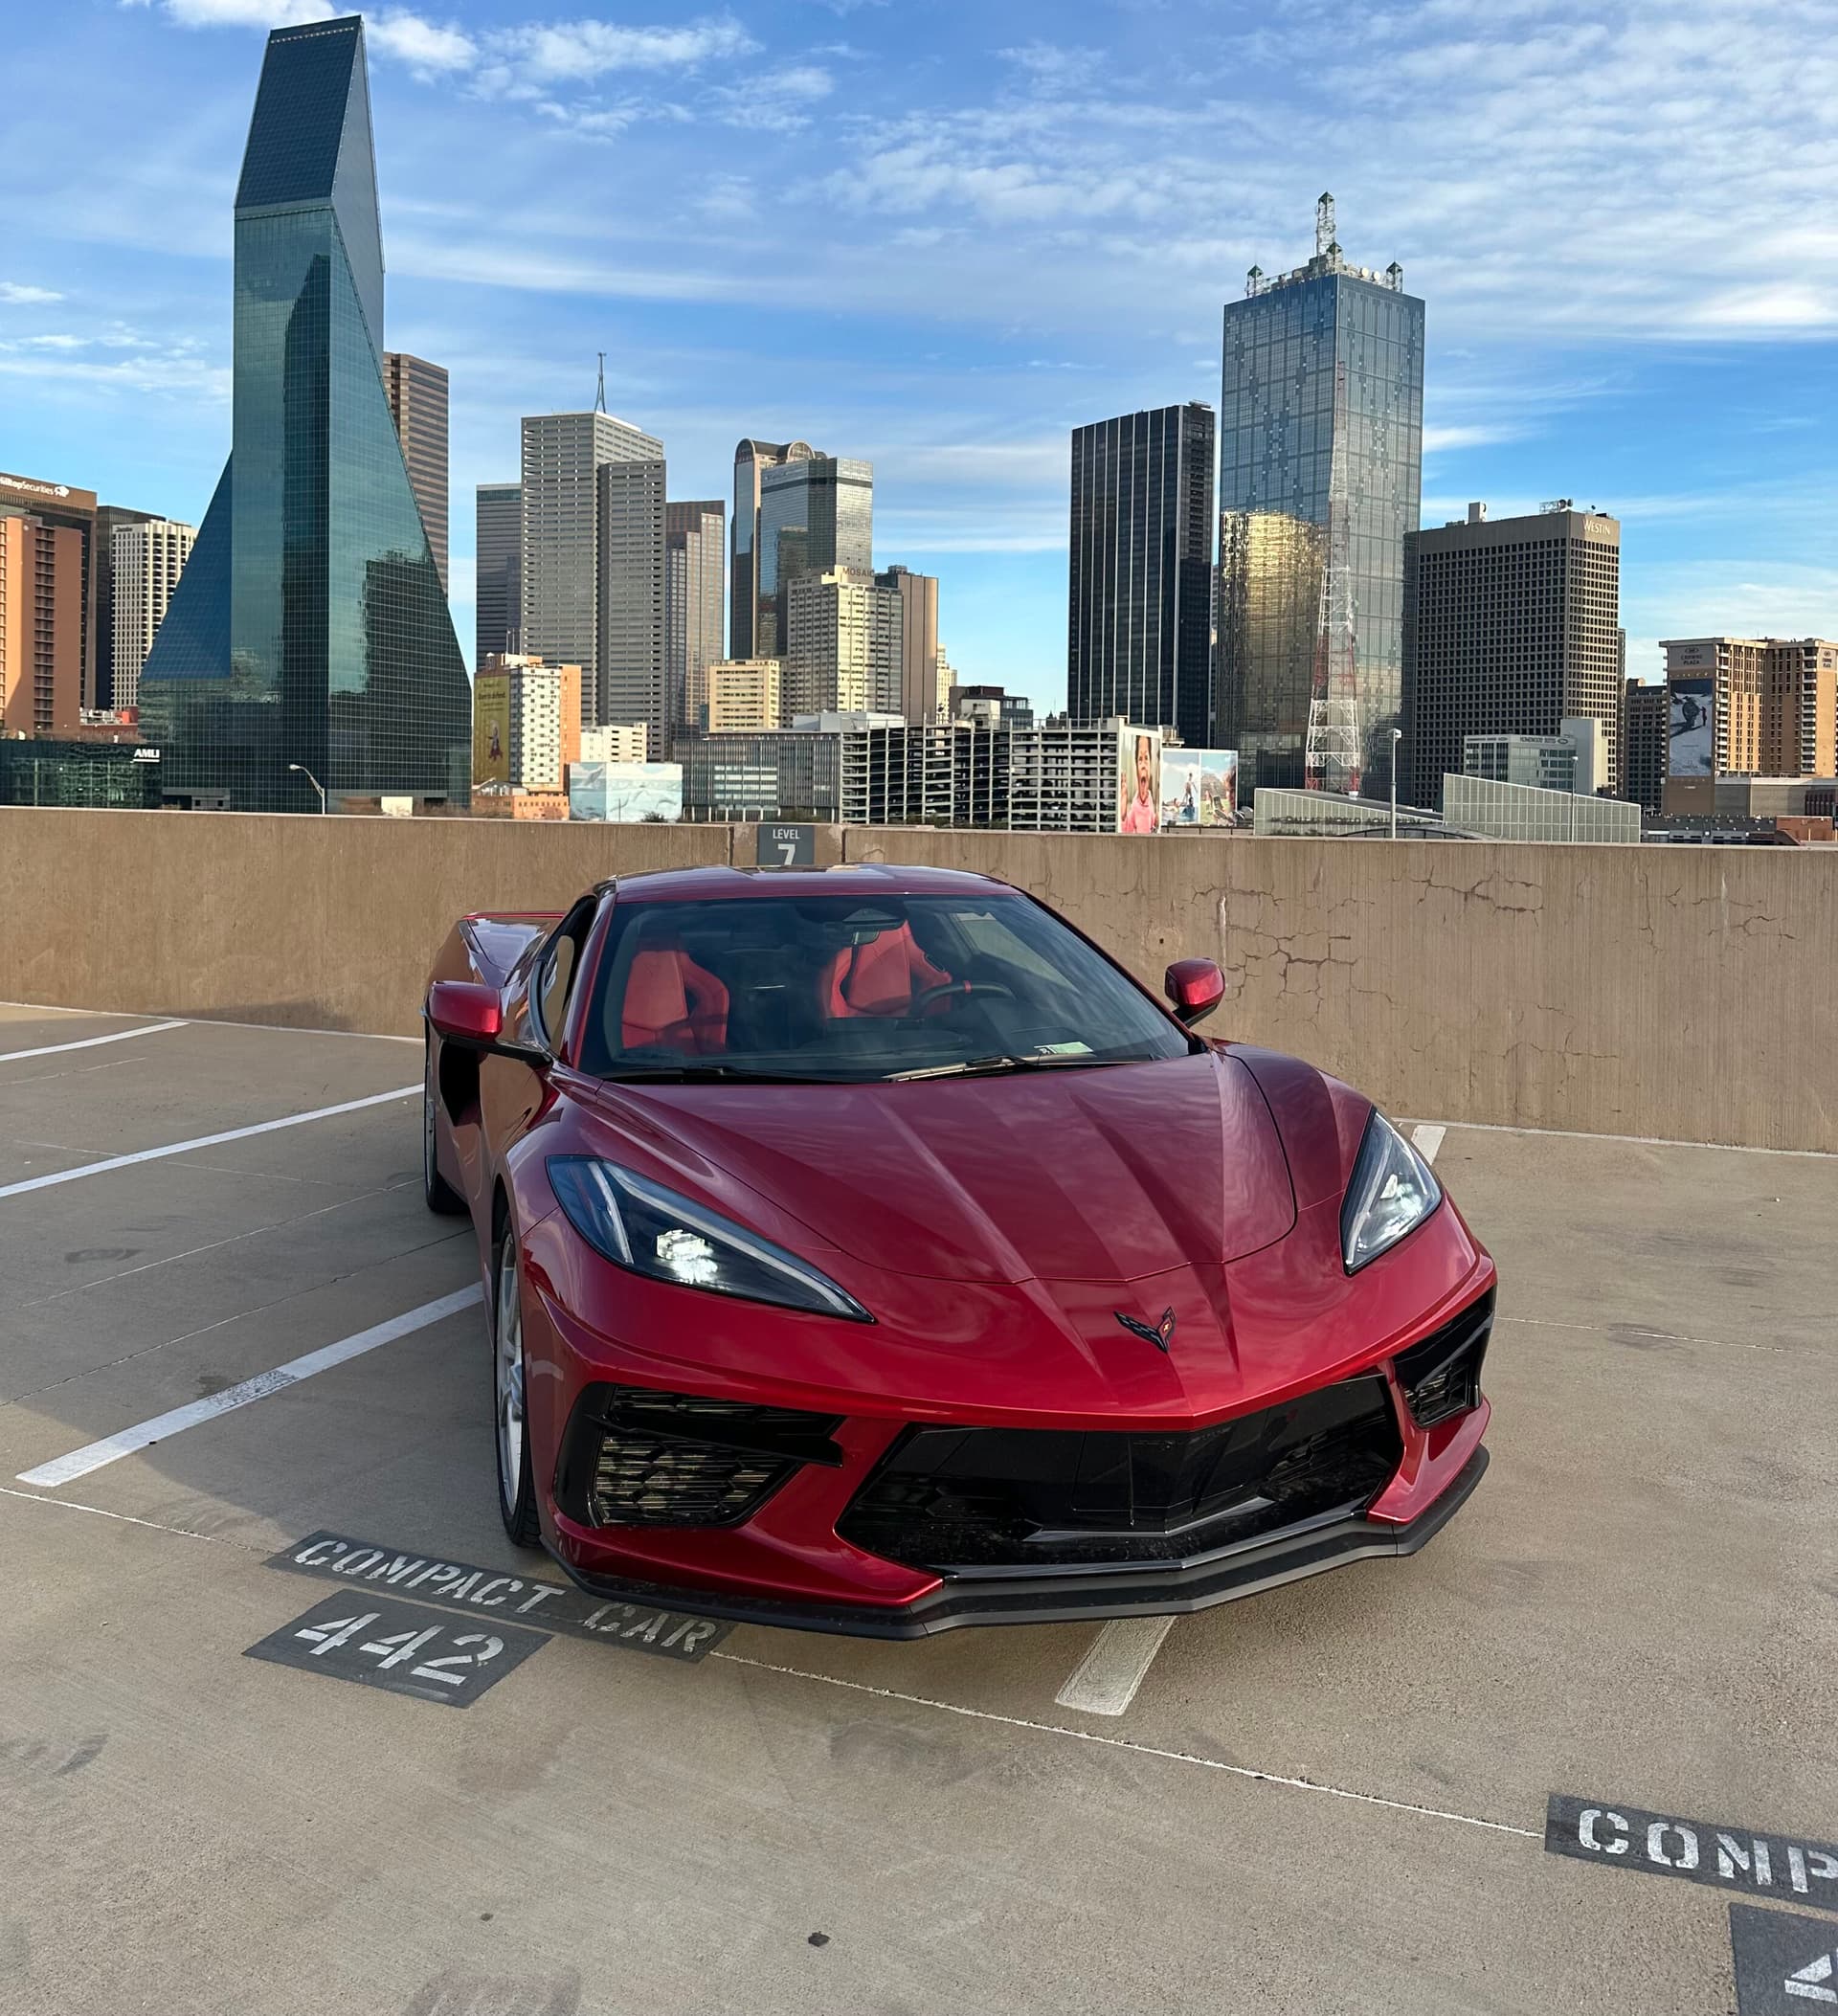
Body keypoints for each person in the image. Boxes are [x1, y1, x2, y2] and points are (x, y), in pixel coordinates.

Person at [1119, 734, 1158, 833]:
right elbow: (1126, 829)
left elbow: (1154, 823)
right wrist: (1123, 814)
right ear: (1136, 766)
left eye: (1146, 758)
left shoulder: (1151, 801)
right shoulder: (1134, 805)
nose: (1143, 766)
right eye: (1140, 759)